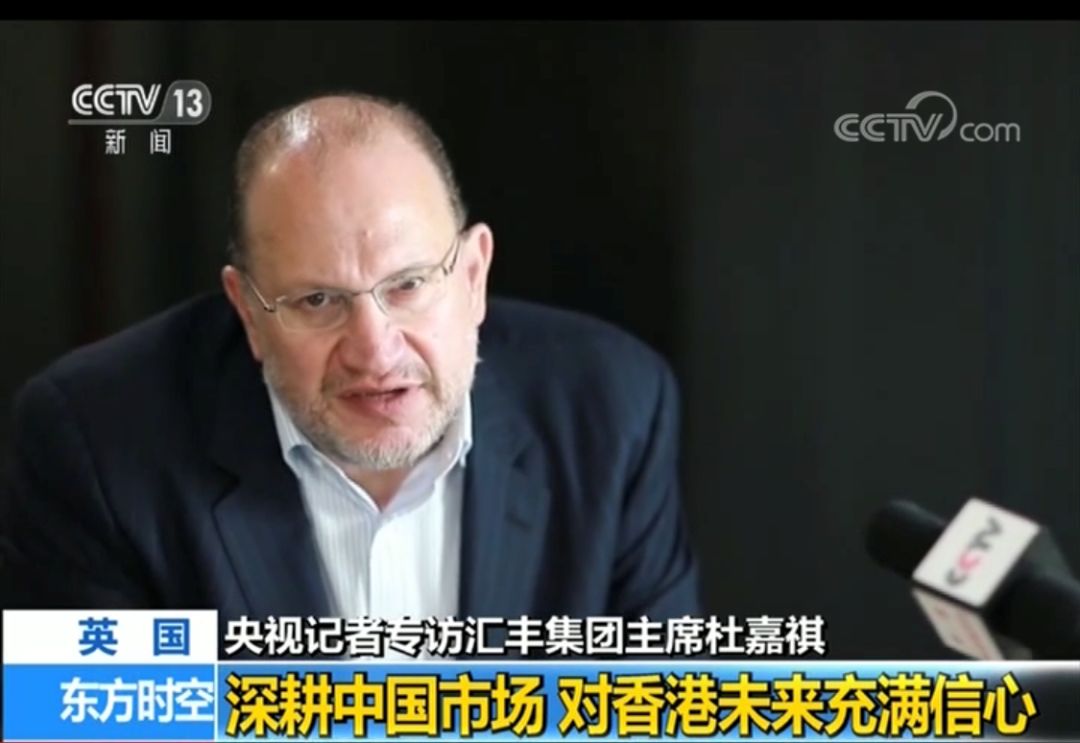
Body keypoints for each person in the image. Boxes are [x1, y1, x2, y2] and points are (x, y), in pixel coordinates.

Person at [0, 92, 701, 638]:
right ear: (248, 312)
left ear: (473, 276)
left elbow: (660, 711)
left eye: (409, 284)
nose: (374, 349)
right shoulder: (95, 444)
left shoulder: (612, 411)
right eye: (317, 300)